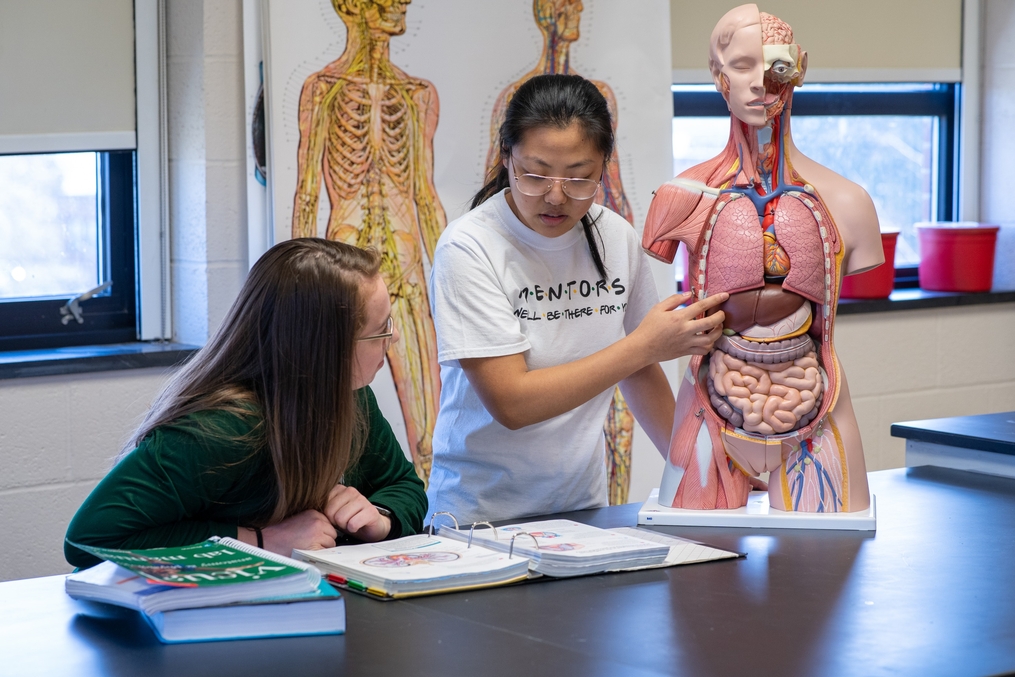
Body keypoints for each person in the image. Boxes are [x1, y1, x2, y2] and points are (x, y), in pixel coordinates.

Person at [425, 73, 729, 524]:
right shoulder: (469, 247)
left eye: (580, 177)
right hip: (477, 518)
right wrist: (643, 345)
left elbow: (640, 373)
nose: (556, 196)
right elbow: (513, 403)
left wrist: (699, 474)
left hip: (580, 512)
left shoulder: (613, 237)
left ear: (604, 165)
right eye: (535, 174)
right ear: (505, 157)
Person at [65, 239, 427, 568]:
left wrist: (380, 518)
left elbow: (404, 485)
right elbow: (90, 541)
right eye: (382, 329)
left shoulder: (351, 396)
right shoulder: (218, 430)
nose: (393, 337)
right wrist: (261, 541)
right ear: (324, 353)